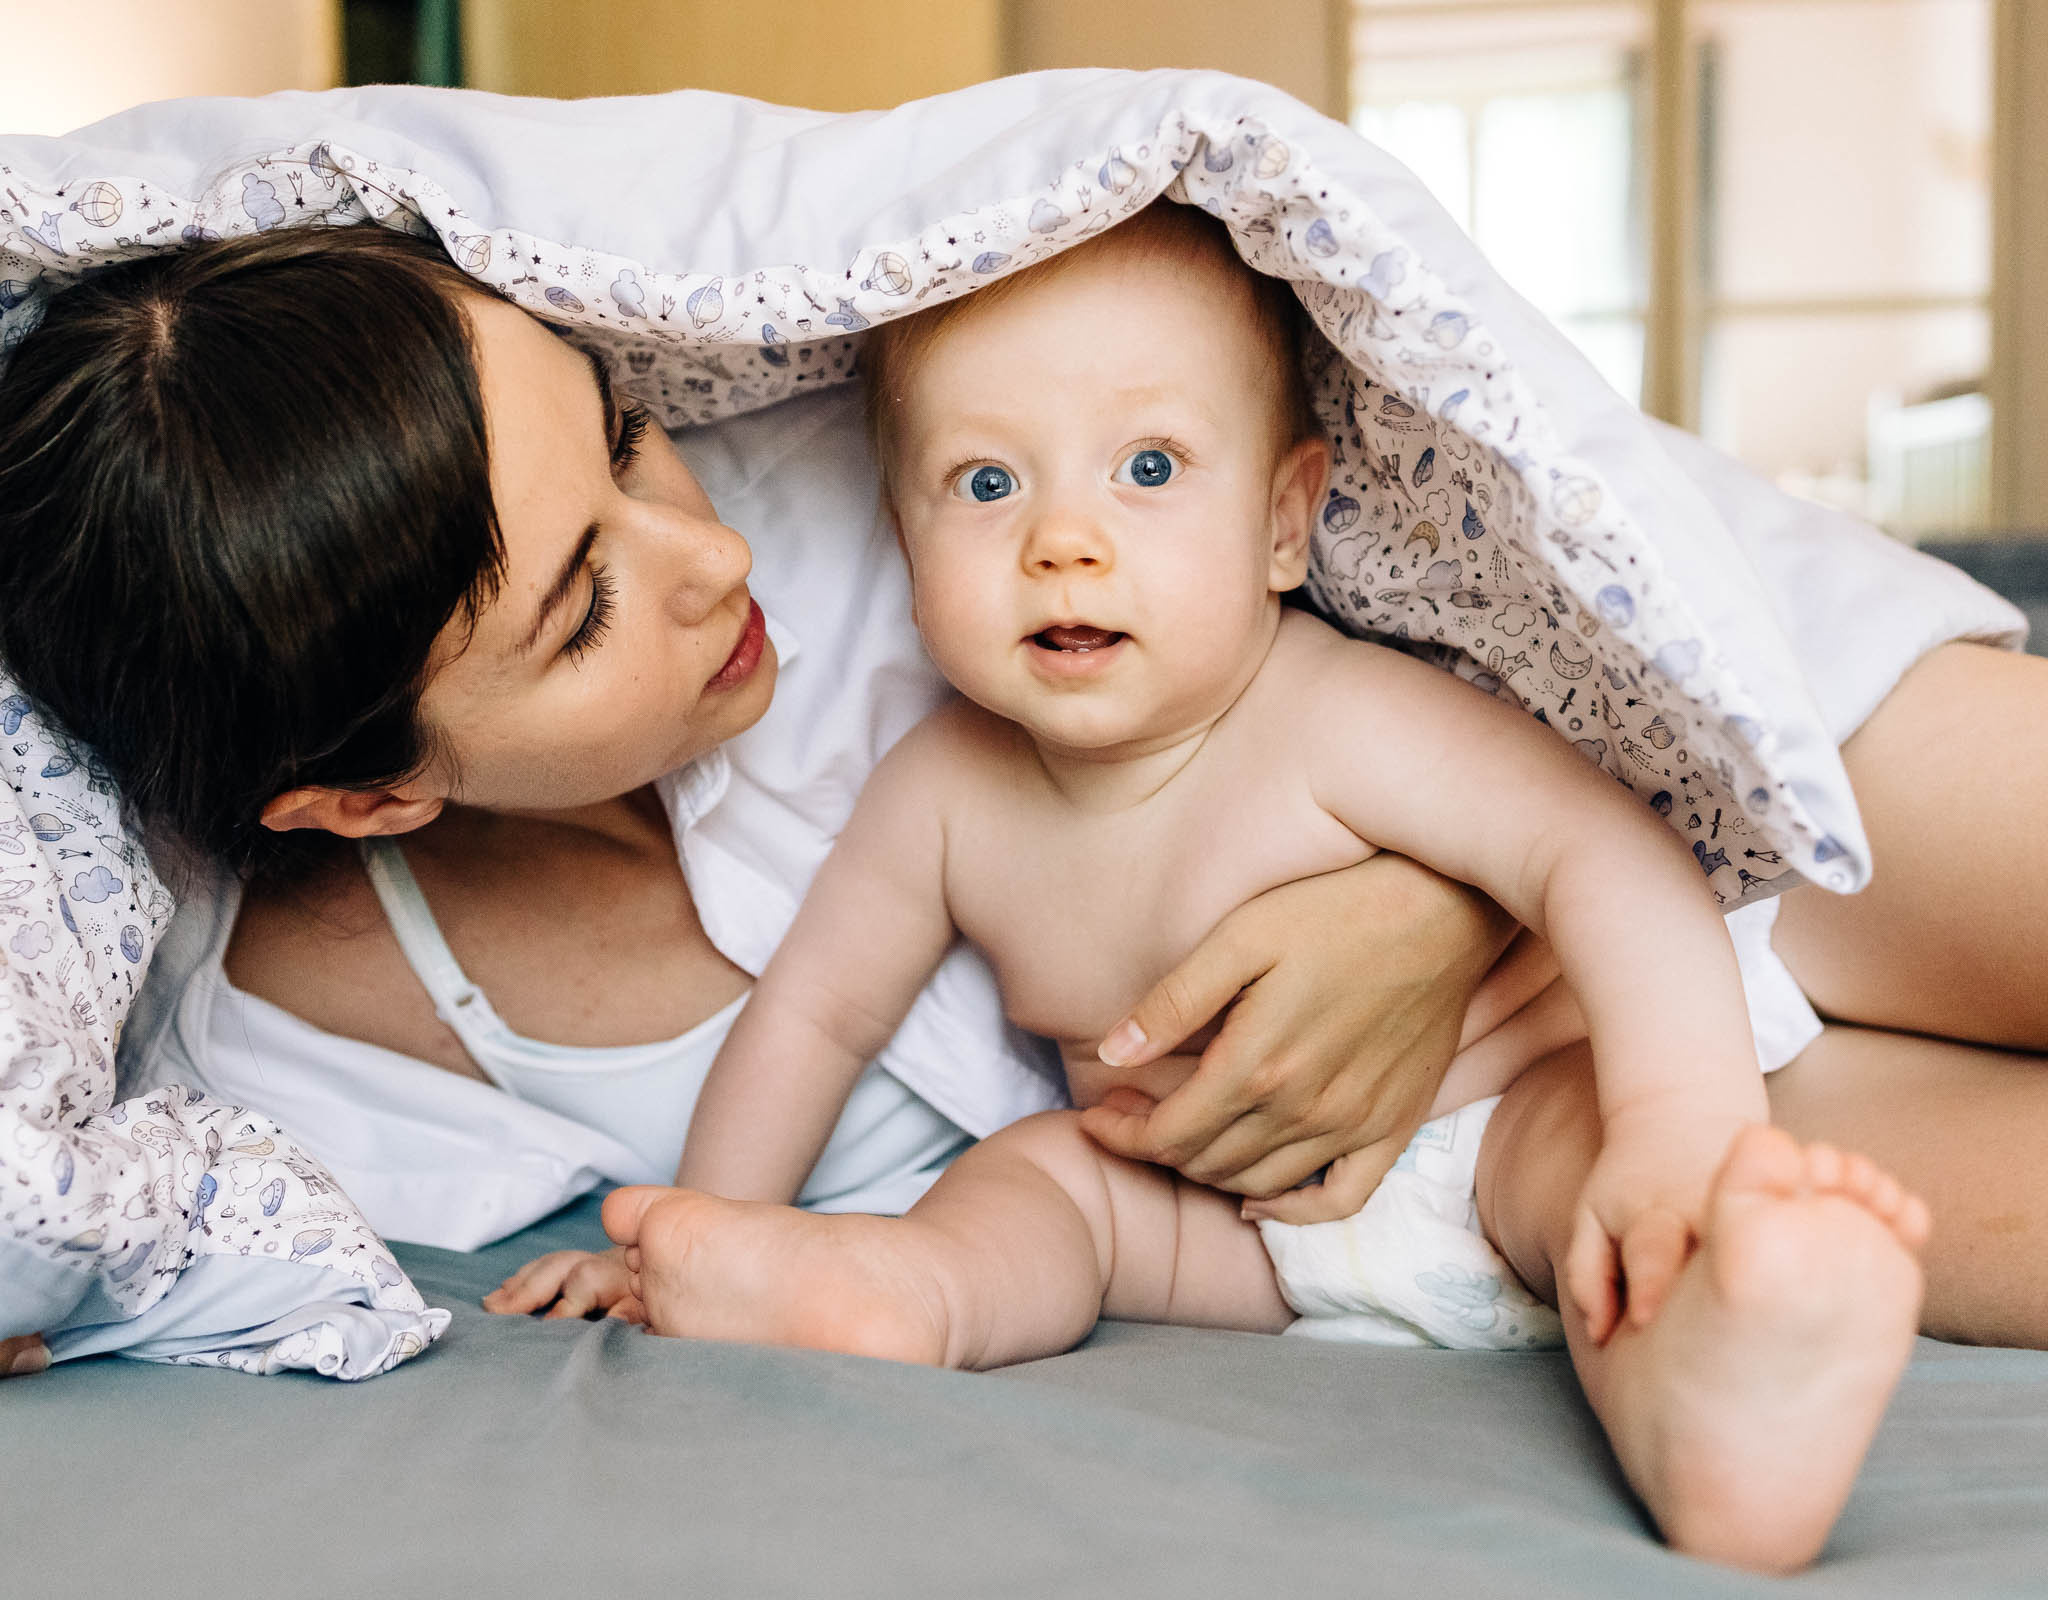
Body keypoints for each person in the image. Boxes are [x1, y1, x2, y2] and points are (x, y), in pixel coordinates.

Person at [0, 214, 2045, 1430]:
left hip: (1620, 757)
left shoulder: (855, 486)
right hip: (1465, 1133)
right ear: (362, 786)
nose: (711, 568)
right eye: (585, 597)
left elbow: (1249, 491)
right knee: (1849, 1232)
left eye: (626, 428)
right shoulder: (222, 1058)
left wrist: (1422, 887)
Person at [564, 204, 1924, 1572]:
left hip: (1483, 1130)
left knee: (1607, 1226)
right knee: (1033, 1185)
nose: (1064, 542)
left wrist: (1675, 1135)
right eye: (987, 485)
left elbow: (1606, 854)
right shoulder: (941, 797)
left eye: (1147, 466)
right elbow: (812, 1018)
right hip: (1210, 1229)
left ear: (1285, 523)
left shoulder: (1340, 716)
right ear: (902, 544)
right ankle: (898, 1299)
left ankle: (1722, 1402)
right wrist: (705, 1225)